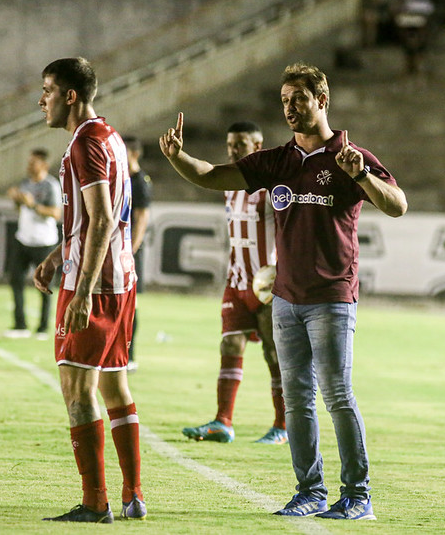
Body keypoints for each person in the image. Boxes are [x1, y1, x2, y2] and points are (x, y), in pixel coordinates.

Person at [159, 62, 407, 521]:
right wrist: (178, 158)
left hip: (332, 298)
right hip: (287, 300)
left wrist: (362, 177)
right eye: (285, 101)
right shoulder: (277, 160)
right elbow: (214, 175)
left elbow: (397, 205)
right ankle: (309, 491)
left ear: (322, 100)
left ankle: (357, 496)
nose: (290, 108)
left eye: (299, 99)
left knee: (337, 394)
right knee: (296, 400)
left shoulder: (350, 155)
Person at [34, 57, 145, 522]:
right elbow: (102, 217)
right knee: (115, 386)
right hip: (120, 279)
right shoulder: (112, 137)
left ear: (71, 96)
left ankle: (95, 501)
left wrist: (79, 293)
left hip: (94, 285)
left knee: (77, 390)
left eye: (48, 90)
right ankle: (132, 495)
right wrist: (59, 254)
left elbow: (101, 217)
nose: (42, 100)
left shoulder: (85, 144)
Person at [181, 121, 287, 446]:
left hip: (267, 286)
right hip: (237, 280)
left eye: (240, 144)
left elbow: (290, 231)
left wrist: (283, 272)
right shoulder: (228, 183)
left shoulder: (272, 188)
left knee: (273, 354)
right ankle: (222, 422)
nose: (232, 150)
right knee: (229, 345)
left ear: (258, 147)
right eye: (230, 144)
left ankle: (283, 426)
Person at [5, 148, 62, 339]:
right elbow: (21, 209)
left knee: (45, 285)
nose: (29, 165)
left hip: (44, 242)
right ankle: (20, 324)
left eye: (33, 162)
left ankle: (43, 327)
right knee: (16, 281)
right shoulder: (24, 183)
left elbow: (55, 213)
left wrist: (33, 205)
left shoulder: (51, 186)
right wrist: (16, 199)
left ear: (44, 165)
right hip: (24, 239)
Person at [122, 135, 152, 372]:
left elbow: (141, 218)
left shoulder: (140, 182)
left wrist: (130, 251)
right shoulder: (123, 179)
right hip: (120, 249)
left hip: (129, 251)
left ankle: (130, 355)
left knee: (132, 304)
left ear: (134, 153)